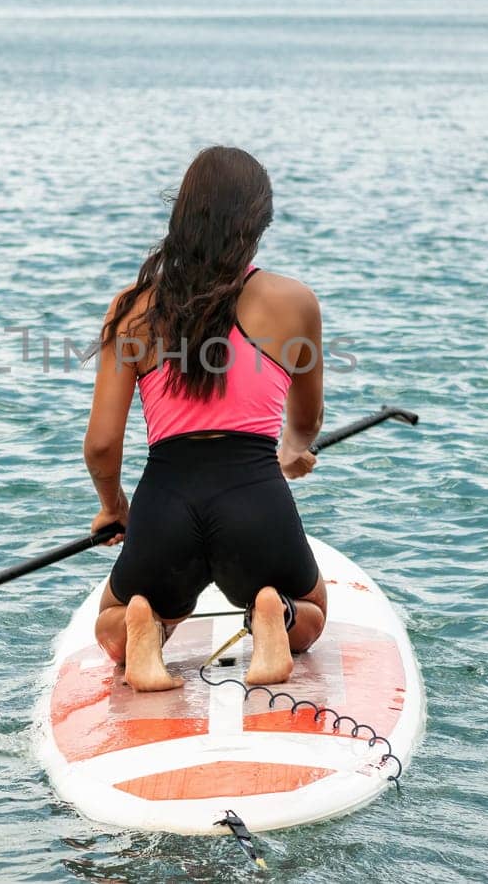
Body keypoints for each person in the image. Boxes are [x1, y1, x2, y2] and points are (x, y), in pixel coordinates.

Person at [84, 146, 327, 692]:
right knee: (312, 610)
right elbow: (306, 421)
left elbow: (101, 444)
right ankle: (273, 614)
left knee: (110, 621)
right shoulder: (294, 301)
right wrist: (290, 452)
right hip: (254, 499)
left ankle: (143, 629)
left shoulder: (133, 308)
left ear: (182, 216)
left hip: (166, 503)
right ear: (258, 223)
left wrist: (113, 508)